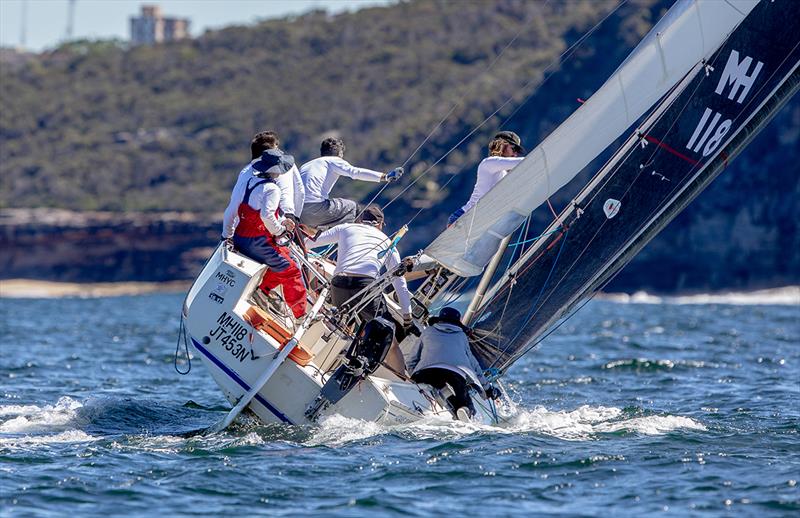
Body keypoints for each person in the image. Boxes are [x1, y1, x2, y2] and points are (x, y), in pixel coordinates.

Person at [226, 148, 307, 319]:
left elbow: (238, 211)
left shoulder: (251, 183)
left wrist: (227, 235)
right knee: (291, 270)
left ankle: (263, 291)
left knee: (285, 256)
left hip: (241, 237)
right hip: (258, 241)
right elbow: (266, 216)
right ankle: (301, 316)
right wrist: (281, 230)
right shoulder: (272, 189)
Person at [305, 204, 411, 325]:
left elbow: (309, 243)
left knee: (347, 314)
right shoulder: (388, 242)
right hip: (365, 287)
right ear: (380, 224)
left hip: (339, 285)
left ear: (360, 220)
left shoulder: (346, 228)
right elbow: (399, 280)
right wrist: (407, 316)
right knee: (386, 328)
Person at [404, 307, 501, 420]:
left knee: (438, 383)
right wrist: (488, 389)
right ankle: (464, 410)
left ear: (439, 320)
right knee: (464, 402)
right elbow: (474, 366)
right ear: (457, 323)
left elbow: (411, 360)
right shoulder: (461, 336)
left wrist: (414, 378)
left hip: (426, 372)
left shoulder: (428, 331)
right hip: (455, 374)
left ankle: (450, 401)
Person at [299, 137, 404, 230]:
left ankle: (320, 233)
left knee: (334, 208)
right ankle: (357, 241)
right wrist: (385, 177)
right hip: (317, 209)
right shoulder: (334, 160)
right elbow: (355, 172)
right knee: (353, 207)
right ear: (339, 153)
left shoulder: (305, 166)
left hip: (299, 213)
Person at [223, 131, 305, 238]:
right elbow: (300, 192)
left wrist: (227, 236)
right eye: (277, 148)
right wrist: (294, 219)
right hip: (278, 226)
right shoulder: (284, 169)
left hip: (241, 232)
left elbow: (233, 206)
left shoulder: (245, 172)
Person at [448, 131, 526, 226]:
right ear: (501, 145)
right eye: (513, 149)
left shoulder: (503, 173)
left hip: (481, 221)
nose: (515, 154)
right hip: (464, 217)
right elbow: (523, 162)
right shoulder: (489, 163)